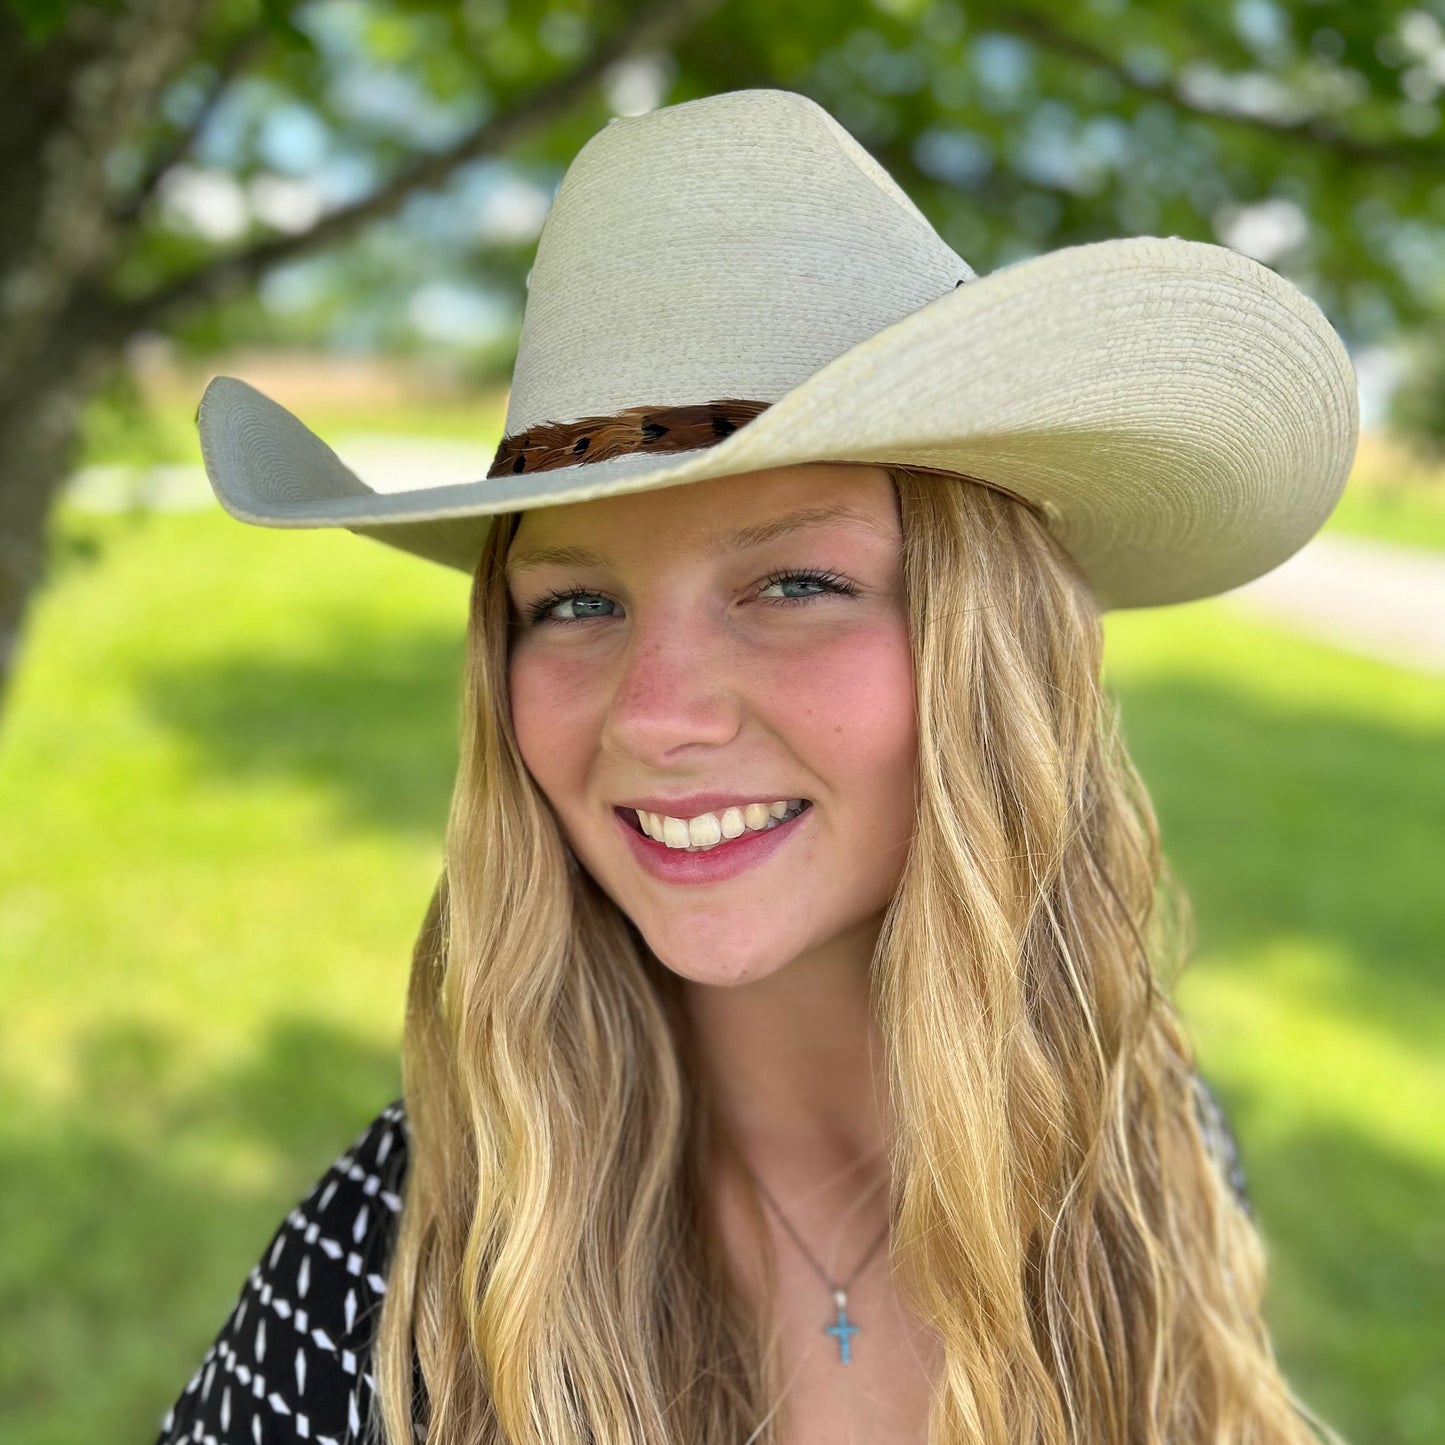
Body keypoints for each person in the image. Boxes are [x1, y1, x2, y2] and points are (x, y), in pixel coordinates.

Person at [154, 88, 1355, 1445]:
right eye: (573, 604)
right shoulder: (386, 1291)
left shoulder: (1143, 1149)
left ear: (989, 650)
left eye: (791, 580)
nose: (654, 715)